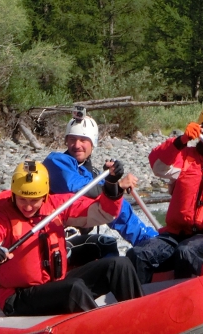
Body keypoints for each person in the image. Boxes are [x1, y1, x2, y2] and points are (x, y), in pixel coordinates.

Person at [0, 159, 145, 316]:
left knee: (119, 265)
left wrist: (112, 186)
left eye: (34, 200)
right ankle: (104, 331)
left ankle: (140, 316)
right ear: (14, 194)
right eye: (22, 199)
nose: (28, 207)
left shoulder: (55, 206)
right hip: (18, 297)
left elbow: (103, 213)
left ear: (44, 195)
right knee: (73, 288)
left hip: (54, 284)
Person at [125, 103, 203, 283]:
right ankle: (139, 297)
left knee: (187, 251)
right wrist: (181, 140)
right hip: (177, 233)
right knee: (138, 254)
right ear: (202, 133)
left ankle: (187, 297)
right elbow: (158, 166)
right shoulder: (185, 157)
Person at [43, 109, 157, 266]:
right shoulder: (55, 162)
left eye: (83, 140)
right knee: (106, 245)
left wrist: (112, 182)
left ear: (93, 143)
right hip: (52, 239)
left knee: (112, 241)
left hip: (75, 239)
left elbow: (117, 210)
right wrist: (116, 186)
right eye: (72, 139)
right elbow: (77, 187)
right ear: (66, 141)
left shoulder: (93, 174)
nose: (77, 145)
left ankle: (150, 241)